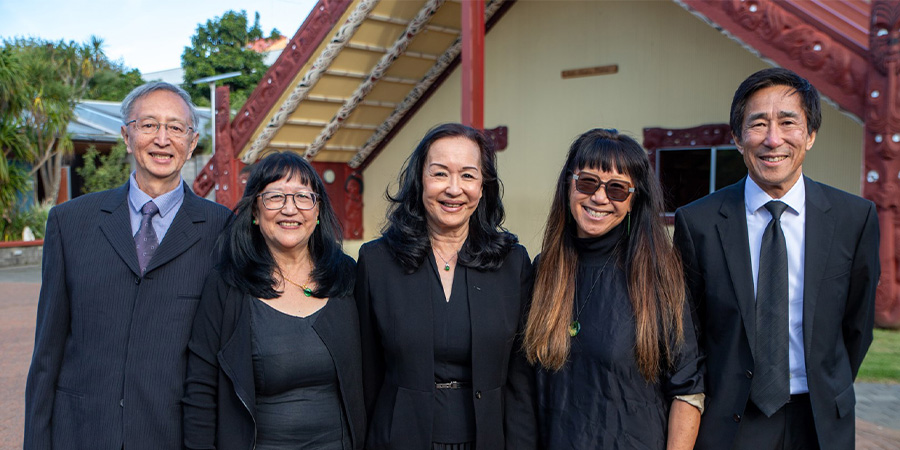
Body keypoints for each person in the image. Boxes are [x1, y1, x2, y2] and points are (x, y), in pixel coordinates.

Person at [673, 67, 881, 450]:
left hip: (819, 420)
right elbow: (691, 336)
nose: (773, 139)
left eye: (788, 122)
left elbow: (857, 325)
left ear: (811, 134)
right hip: (733, 420)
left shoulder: (854, 218)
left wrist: (827, 383)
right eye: (758, 124)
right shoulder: (698, 222)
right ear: (737, 138)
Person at [24, 81, 233, 450]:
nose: (162, 139)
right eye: (148, 124)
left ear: (192, 142)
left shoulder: (221, 228)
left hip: (173, 434)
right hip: (82, 432)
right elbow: (47, 352)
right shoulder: (70, 222)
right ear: (126, 135)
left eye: (175, 127)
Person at [355, 123, 536, 450]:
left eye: (468, 175)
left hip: (488, 439)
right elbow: (367, 375)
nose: (454, 189)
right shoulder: (377, 262)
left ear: (483, 187)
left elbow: (520, 379)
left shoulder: (513, 263)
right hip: (399, 438)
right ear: (419, 180)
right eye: (440, 174)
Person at [523, 128, 705, 449]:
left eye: (618, 189)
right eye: (588, 181)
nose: (600, 197)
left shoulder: (659, 279)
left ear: (635, 201)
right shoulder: (543, 271)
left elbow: (687, 390)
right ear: (569, 183)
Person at [182, 151, 365, 449]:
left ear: (317, 212)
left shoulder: (346, 277)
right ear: (255, 211)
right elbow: (201, 389)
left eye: (303, 197)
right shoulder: (227, 286)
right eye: (275, 197)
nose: (290, 209)